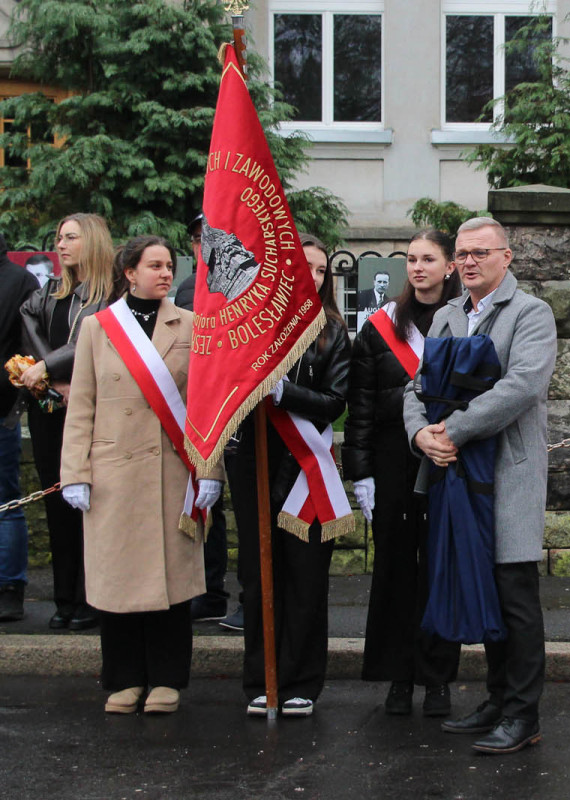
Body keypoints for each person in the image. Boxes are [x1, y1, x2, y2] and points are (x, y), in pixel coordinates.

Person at [403, 217, 556, 755]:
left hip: (505, 476)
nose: (469, 262)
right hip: (455, 476)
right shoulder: (445, 316)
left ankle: (522, 713)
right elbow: (416, 386)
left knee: (515, 596)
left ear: (506, 257)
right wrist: (422, 432)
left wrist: (453, 429)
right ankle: (495, 700)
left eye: (481, 253)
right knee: (481, 588)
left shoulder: (531, 314)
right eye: (463, 254)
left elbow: (522, 387)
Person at [59, 235, 223, 713]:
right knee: (118, 580)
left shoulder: (191, 325)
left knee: (171, 584)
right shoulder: (97, 327)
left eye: (169, 265)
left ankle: (168, 679)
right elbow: (82, 404)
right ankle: (124, 679)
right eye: (154, 266)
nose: (165, 273)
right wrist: (75, 472)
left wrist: (210, 469)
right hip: (115, 473)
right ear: (129, 272)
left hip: (174, 471)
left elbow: (205, 405)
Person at [227, 232, 351, 718]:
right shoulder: (251, 325)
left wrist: (286, 395)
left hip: (306, 464)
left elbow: (336, 402)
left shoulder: (332, 331)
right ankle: (261, 679)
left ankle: (301, 681)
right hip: (253, 461)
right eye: (306, 267)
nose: (314, 277)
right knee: (258, 577)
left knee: (304, 579)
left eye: (322, 271)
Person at [345, 231, 463, 717]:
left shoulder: (464, 320)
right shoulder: (379, 327)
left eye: (428, 259)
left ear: (449, 266)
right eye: (411, 259)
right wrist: (361, 472)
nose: (418, 267)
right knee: (394, 572)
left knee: (440, 572)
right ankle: (398, 676)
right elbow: (361, 407)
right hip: (393, 465)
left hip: (447, 462)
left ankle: (437, 680)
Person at [19, 213, 117, 631]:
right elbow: (30, 329)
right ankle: (65, 598)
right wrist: (48, 373)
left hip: (92, 410)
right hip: (51, 411)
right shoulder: (49, 294)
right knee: (57, 505)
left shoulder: (111, 295)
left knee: (90, 505)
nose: (61, 245)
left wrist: (48, 365)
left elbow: (93, 342)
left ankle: (93, 596)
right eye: (59, 237)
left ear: (91, 242)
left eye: (71, 237)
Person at [174, 214, 234, 626]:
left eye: (207, 237)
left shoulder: (238, 282)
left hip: (231, 405)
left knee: (222, 502)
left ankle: (221, 590)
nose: (201, 245)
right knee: (196, 501)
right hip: (190, 405)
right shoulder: (184, 288)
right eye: (195, 238)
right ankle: (200, 589)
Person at [0, 235, 39, 622]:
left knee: (6, 502)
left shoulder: (18, 280)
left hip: (0, 409)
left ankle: (10, 586)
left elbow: (28, 349)